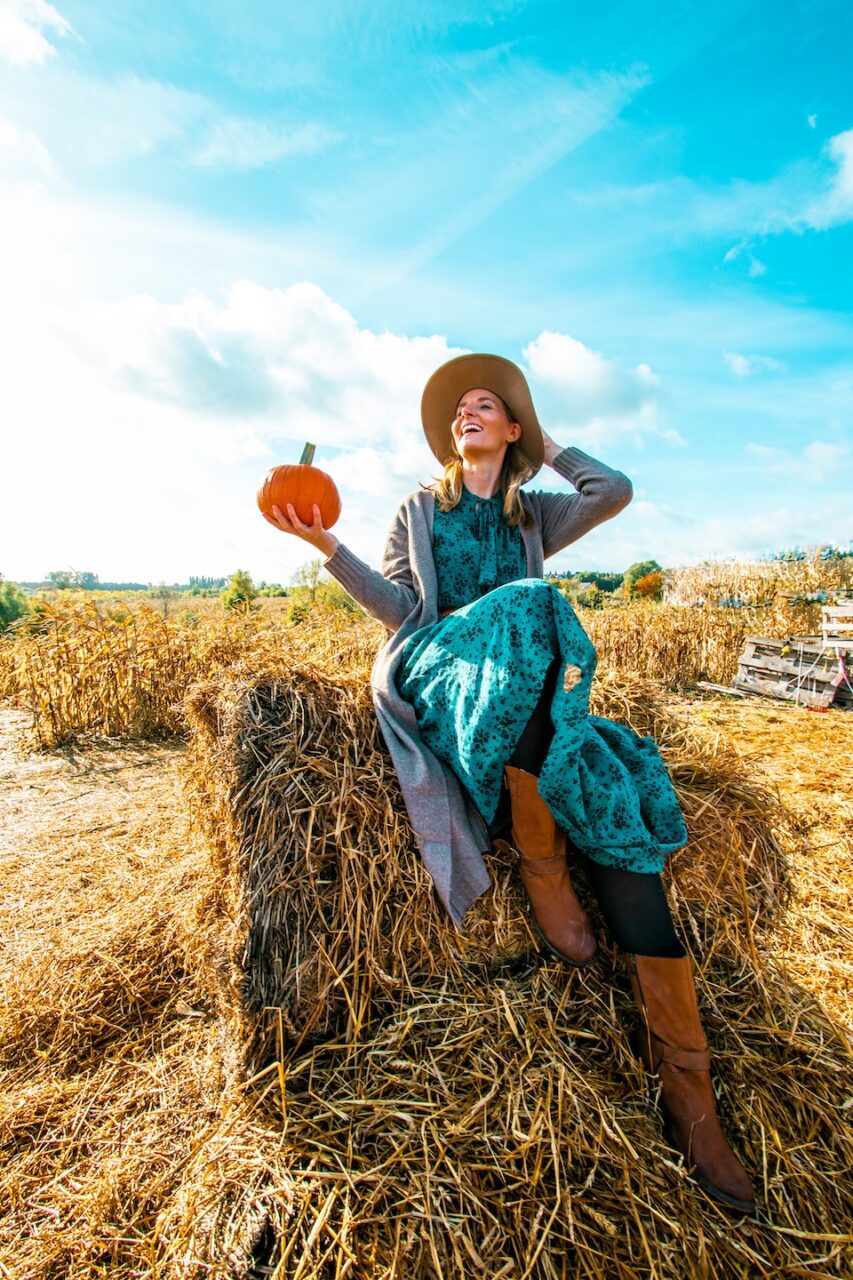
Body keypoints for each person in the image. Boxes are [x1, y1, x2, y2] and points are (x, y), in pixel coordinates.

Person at [267, 352, 755, 1215]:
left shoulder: (534, 511)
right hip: (444, 672)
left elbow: (615, 492)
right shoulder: (420, 509)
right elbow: (400, 610)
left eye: (486, 406)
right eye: (459, 408)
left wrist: (545, 445)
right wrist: (325, 547)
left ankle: (690, 1093)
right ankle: (540, 868)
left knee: (615, 803)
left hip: (528, 702)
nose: (467, 412)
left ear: (512, 428)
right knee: (531, 602)